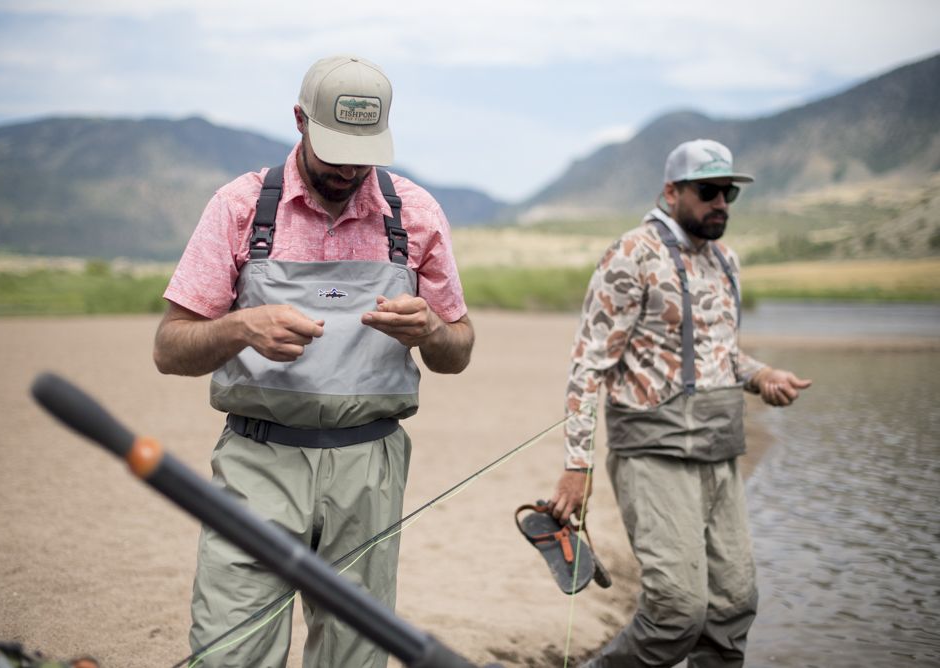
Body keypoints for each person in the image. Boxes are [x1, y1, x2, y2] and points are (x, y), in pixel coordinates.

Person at [153, 55, 474, 668]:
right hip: (258, 461)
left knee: (357, 657)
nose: (350, 168)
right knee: (230, 654)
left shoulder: (417, 214)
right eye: (335, 149)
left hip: (372, 467)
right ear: (300, 120)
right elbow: (170, 348)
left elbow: (457, 351)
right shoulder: (241, 208)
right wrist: (241, 327)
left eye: (364, 151)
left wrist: (431, 329)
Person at [549, 139, 812, 667]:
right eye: (709, 190)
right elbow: (588, 366)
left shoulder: (725, 260)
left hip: (718, 452)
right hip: (653, 455)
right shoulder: (631, 255)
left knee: (733, 609)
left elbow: (718, 354)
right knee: (676, 614)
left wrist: (762, 376)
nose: (722, 203)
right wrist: (576, 466)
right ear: (671, 191)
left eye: (729, 192)